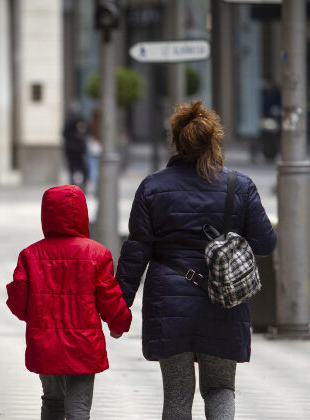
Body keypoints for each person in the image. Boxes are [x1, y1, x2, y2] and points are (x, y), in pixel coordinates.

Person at [115, 100, 277, 420]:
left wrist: (120, 306)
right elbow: (265, 242)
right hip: (224, 300)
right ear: (214, 141)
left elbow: (137, 251)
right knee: (219, 388)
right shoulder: (238, 186)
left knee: (177, 395)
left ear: (176, 141)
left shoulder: (152, 187)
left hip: (168, 301)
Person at [6, 185, 132, 420]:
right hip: (84, 345)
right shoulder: (98, 254)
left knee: (52, 401)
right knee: (79, 407)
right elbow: (110, 298)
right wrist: (118, 326)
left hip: (45, 343)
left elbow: (16, 300)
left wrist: (34, 316)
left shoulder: (30, 255)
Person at [62, 103, 89, 190]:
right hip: (77, 148)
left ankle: (74, 184)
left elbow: (64, 134)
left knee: (74, 167)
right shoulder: (80, 119)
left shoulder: (70, 120)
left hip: (73, 148)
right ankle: (81, 184)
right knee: (81, 167)